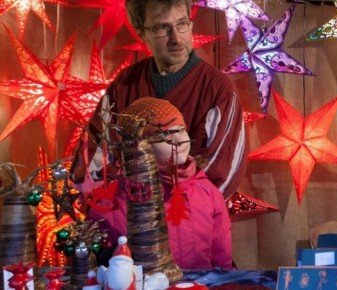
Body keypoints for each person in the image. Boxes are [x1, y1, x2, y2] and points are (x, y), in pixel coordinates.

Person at [72, 0, 245, 197]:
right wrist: (118, 200)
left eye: (182, 24)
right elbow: (93, 154)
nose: (176, 39)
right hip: (127, 216)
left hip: (189, 220)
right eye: (162, 27)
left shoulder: (218, 89)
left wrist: (169, 210)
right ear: (141, 32)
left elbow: (222, 170)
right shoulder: (124, 84)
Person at [87, 97, 233, 270]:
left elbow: (222, 259)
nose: (179, 140)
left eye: (181, 130)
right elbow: (102, 267)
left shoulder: (207, 192)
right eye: (165, 134)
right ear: (140, 144)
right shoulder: (111, 203)